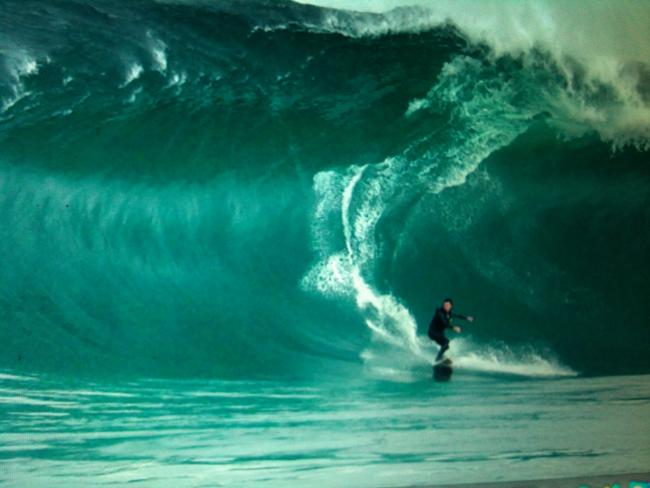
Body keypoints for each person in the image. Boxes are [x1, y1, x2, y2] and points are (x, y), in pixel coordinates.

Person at [428, 298, 474, 362]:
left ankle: (441, 357)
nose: (445, 307)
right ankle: (438, 359)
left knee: (446, 346)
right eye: (444, 305)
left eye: (447, 305)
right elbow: (444, 323)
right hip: (432, 332)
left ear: (451, 306)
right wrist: (453, 328)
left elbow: (457, 315)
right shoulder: (439, 312)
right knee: (446, 342)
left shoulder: (449, 313)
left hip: (438, 333)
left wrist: (466, 318)